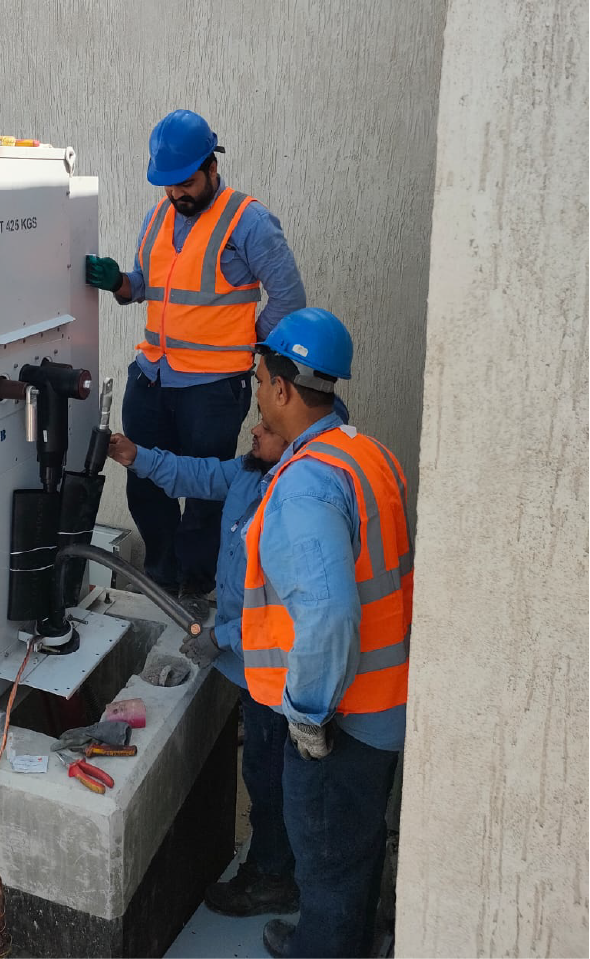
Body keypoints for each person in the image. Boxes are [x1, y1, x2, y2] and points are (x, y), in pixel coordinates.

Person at [86, 109, 305, 620]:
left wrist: (246, 340)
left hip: (212, 389)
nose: (176, 194)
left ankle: (196, 586)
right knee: (144, 481)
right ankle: (161, 577)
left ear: (211, 166)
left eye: (185, 183)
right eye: (168, 185)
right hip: (152, 377)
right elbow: (145, 285)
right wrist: (118, 282)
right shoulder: (158, 217)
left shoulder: (248, 221)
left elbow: (289, 298)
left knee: (205, 496)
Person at [242, 307, 413, 959]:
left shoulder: (305, 486)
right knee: (356, 847)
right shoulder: (366, 453)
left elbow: (330, 612)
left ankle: (322, 947)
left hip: (341, 717)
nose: (259, 393)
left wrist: (308, 714)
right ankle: (338, 938)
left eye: (261, 381)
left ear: (283, 389)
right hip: (385, 701)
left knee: (326, 859)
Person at [107, 421, 299, 917]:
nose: (254, 429)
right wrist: (135, 456)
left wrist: (220, 638)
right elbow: (198, 475)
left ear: (295, 435)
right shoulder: (251, 472)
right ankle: (276, 863)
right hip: (252, 660)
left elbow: (285, 611)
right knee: (264, 771)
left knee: (270, 777)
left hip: (277, 672)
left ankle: (272, 877)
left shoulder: (297, 499)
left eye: (268, 427)